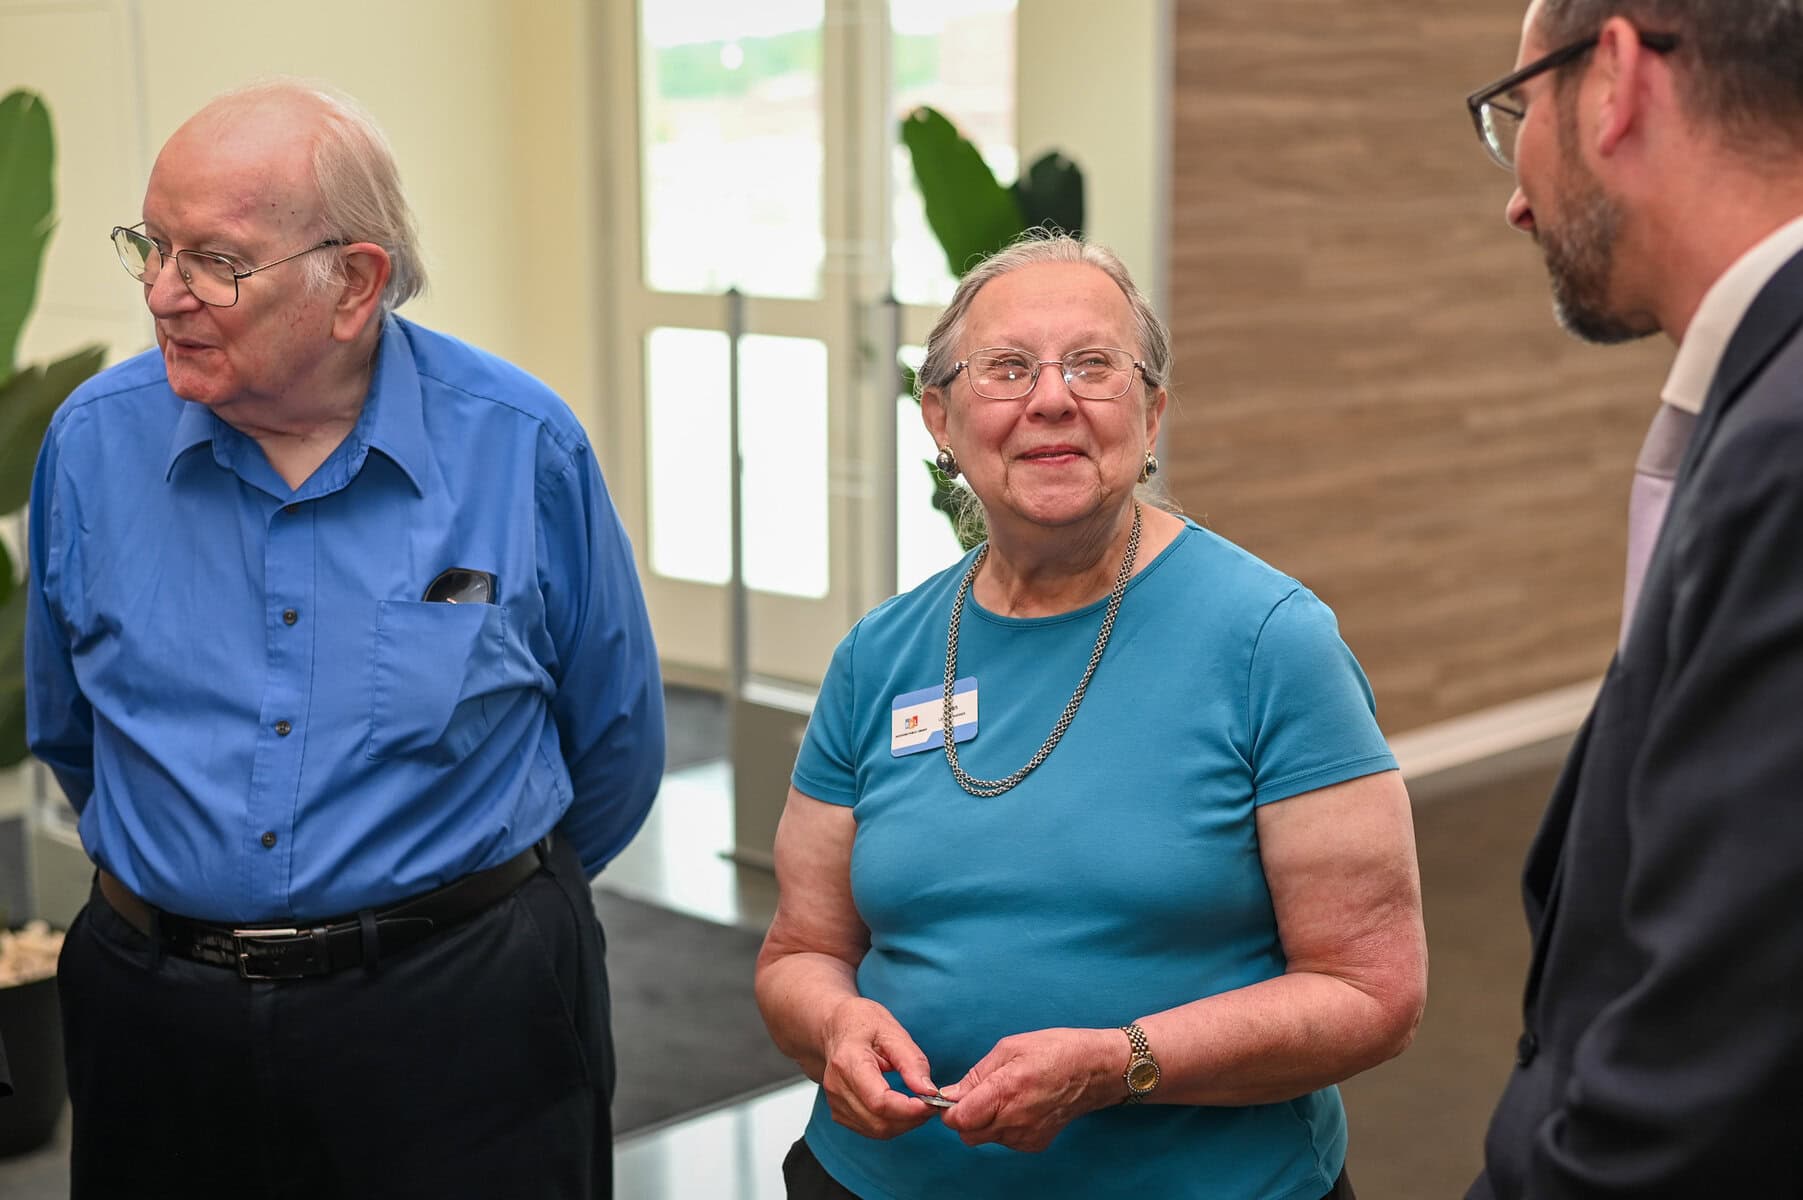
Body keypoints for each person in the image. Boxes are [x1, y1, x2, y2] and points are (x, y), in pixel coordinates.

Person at [24, 80, 663, 1198]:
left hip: (462, 1021)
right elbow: (73, 732)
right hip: (157, 1026)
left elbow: (612, 741)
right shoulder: (91, 445)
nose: (164, 293)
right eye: (152, 246)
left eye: (214, 260)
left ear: (355, 284)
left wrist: (439, 916)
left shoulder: (519, 446)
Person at [754, 233, 1427, 1200]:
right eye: (1006, 368)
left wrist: (1121, 1061)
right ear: (939, 417)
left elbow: (1371, 993)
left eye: (1092, 365)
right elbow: (802, 952)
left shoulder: (1269, 641)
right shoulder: (878, 654)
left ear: (1149, 414)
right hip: (874, 1181)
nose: (1051, 399)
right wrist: (831, 1024)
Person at [1462, 3, 1803, 1196]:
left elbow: (1717, 1075)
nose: (1516, 200)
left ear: (1612, 78)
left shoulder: (1786, 449)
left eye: (1517, 111)